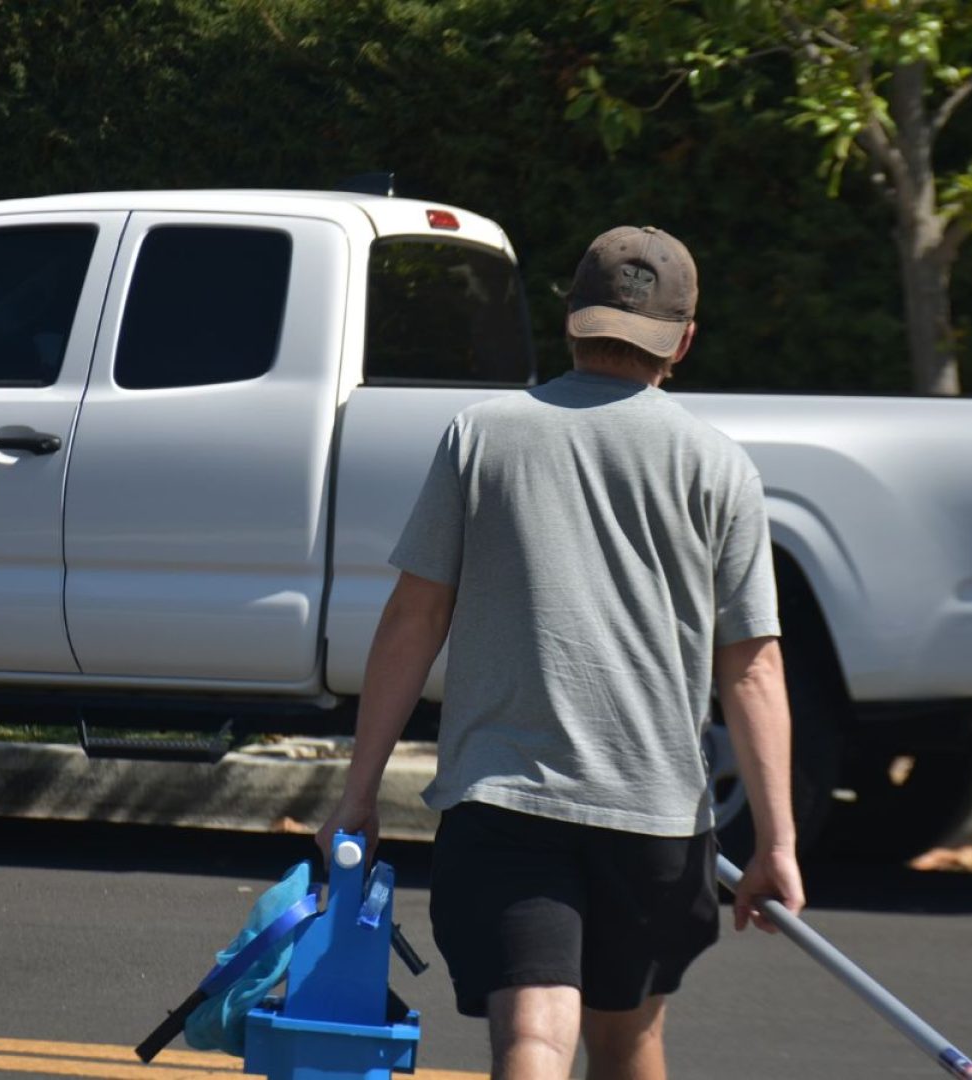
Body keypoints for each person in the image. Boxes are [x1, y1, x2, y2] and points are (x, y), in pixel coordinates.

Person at [317, 225, 804, 1080]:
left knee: (531, 1039)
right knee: (628, 1042)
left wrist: (360, 793)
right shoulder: (719, 465)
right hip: (653, 815)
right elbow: (752, 666)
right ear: (683, 340)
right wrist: (777, 844)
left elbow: (413, 619)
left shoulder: (484, 436)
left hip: (505, 803)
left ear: (572, 319)